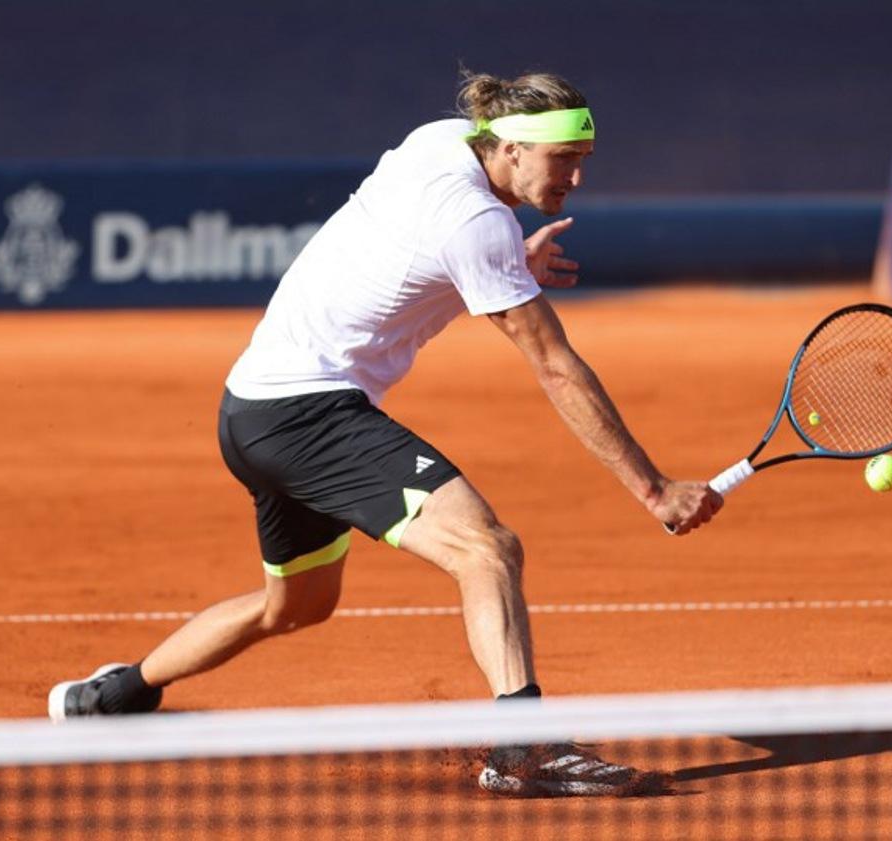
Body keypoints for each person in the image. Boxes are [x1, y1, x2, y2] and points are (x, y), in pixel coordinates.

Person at [48, 70, 722, 797]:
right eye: (563, 159)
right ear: (512, 149)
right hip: (309, 414)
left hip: (249, 409)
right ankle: (522, 749)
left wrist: (505, 267)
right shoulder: (478, 224)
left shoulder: (441, 142)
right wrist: (653, 489)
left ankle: (116, 693)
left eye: (584, 158)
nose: (577, 177)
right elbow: (555, 366)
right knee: (486, 547)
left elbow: (407, 255)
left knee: (296, 605)